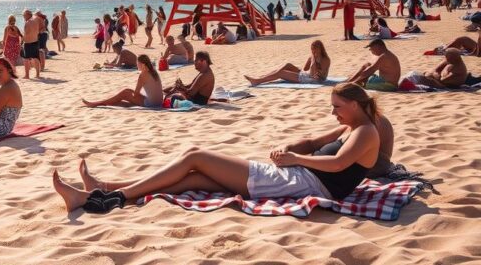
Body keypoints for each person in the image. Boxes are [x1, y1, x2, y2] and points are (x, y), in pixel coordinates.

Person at [53, 83, 382, 212]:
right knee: (193, 178)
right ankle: (95, 191)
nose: (333, 112)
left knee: (195, 155)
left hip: (299, 182)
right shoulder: (351, 125)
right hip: (294, 174)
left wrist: (294, 159)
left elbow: (338, 164)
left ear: (354, 104)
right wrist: (289, 148)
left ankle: (118, 196)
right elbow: (313, 142)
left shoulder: (366, 132)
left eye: (337, 106)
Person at [84, 54, 164, 108]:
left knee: (125, 92)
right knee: (124, 95)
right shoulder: (153, 71)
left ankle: (98, 103)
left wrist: (129, 94)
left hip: (151, 104)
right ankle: (104, 103)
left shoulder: (143, 74)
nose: (137, 65)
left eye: (137, 63)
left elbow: (135, 95)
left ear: (142, 64)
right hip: (159, 102)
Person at [245, 40, 331, 85]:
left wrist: (313, 60)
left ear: (320, 49)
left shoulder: (325, 59)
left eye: (315, 49)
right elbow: (305, 69)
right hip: (306, 75)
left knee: (281, 73)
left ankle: (258, 81)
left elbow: (314, 75)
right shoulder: (312, 57)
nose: (313, 51)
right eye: (312, 49)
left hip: (314, 80)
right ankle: (263, 77)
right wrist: (310, 59)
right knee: (288, 65)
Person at [22, 9, 43, 78]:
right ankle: (37, 74)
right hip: (35, 41)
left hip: (28, 42)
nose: (23, 17)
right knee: (36, 58)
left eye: (24, 15)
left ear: (28, 15)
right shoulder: (36, 19)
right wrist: (38, 32)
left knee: (26, 59)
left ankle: (27, 75)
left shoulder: (27, 22)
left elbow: (26, 34)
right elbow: (42, 26)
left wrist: (21, 41)